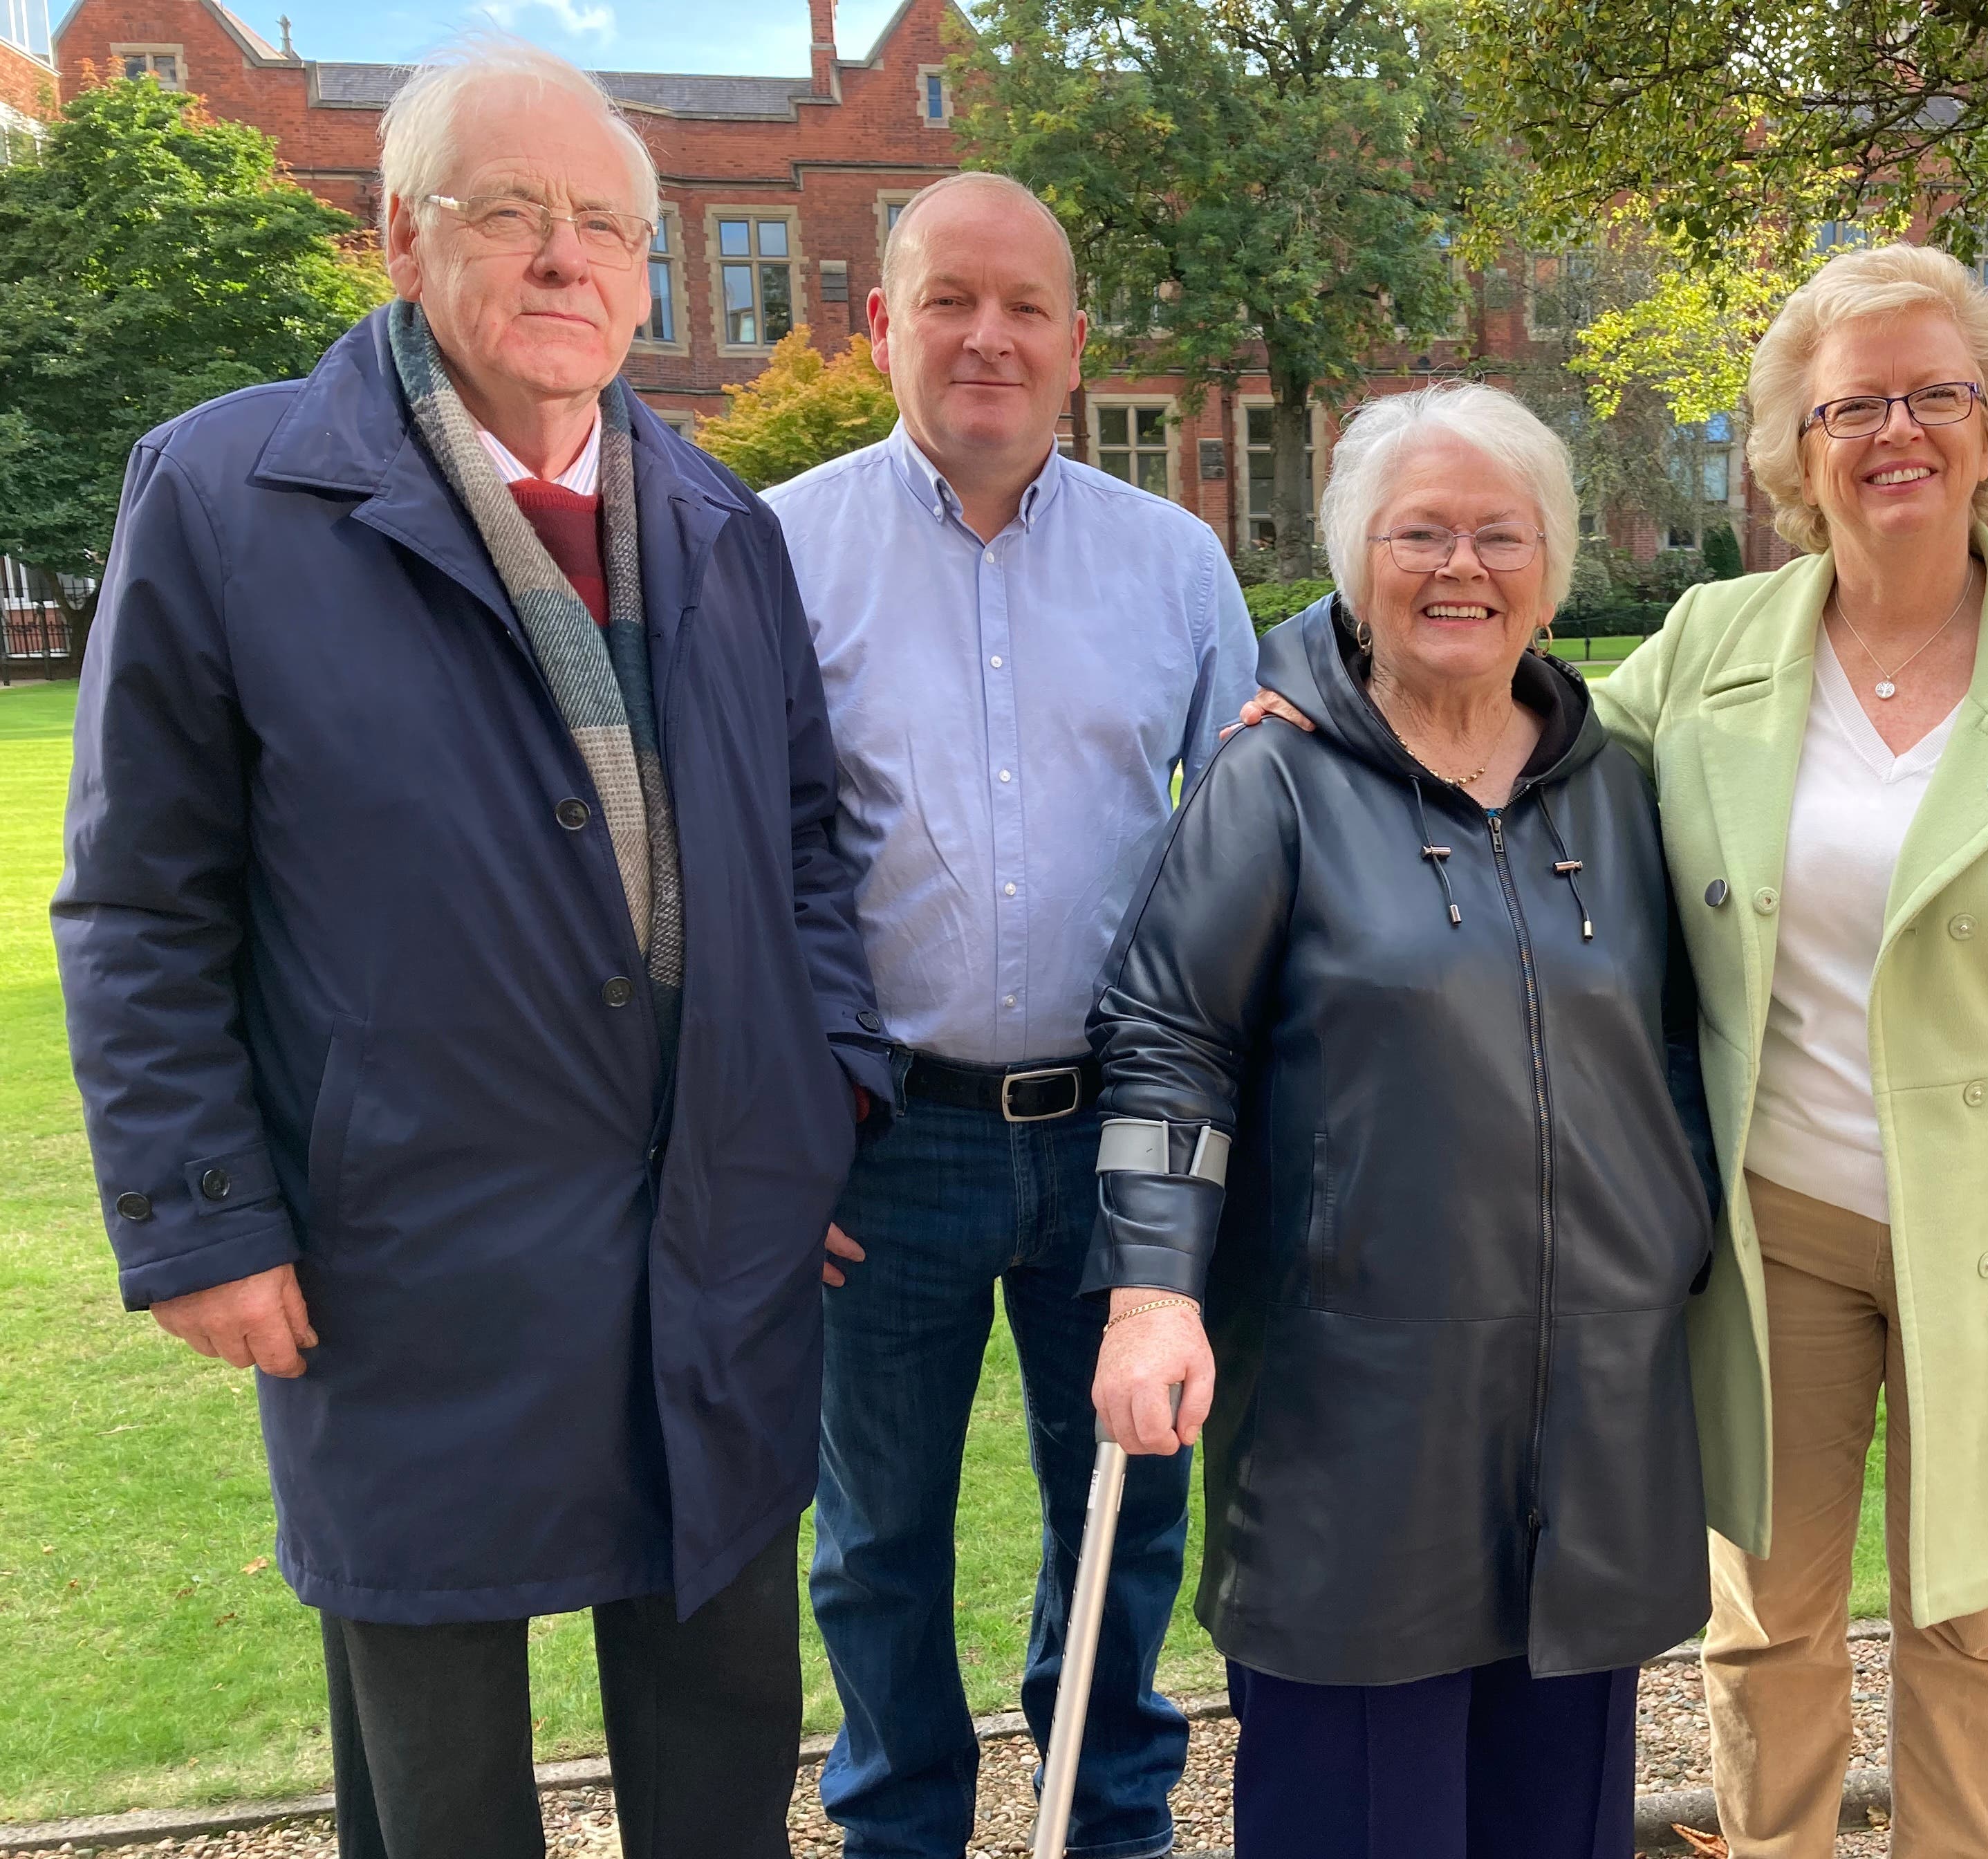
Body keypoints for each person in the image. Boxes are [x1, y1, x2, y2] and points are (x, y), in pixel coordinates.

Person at [51, 37, 893, 1859]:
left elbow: (809, 851)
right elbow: (140, 896)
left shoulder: (723, 527)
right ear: (399, 237)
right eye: (512, 215)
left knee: (723, 1735)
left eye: (605, 225)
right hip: (405, 1245)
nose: (566, 258)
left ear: (650, 270)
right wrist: (201, 1215)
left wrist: (823, 1101)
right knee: (437, 1787)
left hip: (717, 1242)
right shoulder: (228, 499)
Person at [1603, 243, 1988, 1857]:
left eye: (1935, 393)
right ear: (1798, 447)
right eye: (1851, 403)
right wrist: (1323, 690)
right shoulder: (1704, 649)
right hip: (1774, 1220)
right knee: (1766, 1619)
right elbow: (1511, 759)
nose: (1897, 431)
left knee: (1973, 1624)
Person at [1084, 382, 1720, 1859]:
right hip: (1354, 1409)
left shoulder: (1618, 790)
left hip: (1593, 1405)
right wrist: (1152, 1289)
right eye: (1419, 531)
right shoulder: (1272, 781)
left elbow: (1680, 1035)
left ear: (1553, 568)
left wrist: (1672, 1218)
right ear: (1355, 557)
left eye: (1501, 534)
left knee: (1562, 1821)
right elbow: (1168, 1040)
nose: (1461, 568)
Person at [761, 171, 1256, 1859]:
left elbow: (1239, 863)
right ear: (883, 324)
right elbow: (736, 873)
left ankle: (1097, 1816)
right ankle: (900, 1825)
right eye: (949, 300)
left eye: (1025, 305)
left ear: (1073, 343)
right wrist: (781, 1135)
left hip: (1120, 1133)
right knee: (874, 1539)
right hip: (878, 1146)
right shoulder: (772, 552)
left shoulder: (1176, 567)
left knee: (1126, 1513)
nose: (989, 335)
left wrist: (1207, 1159)